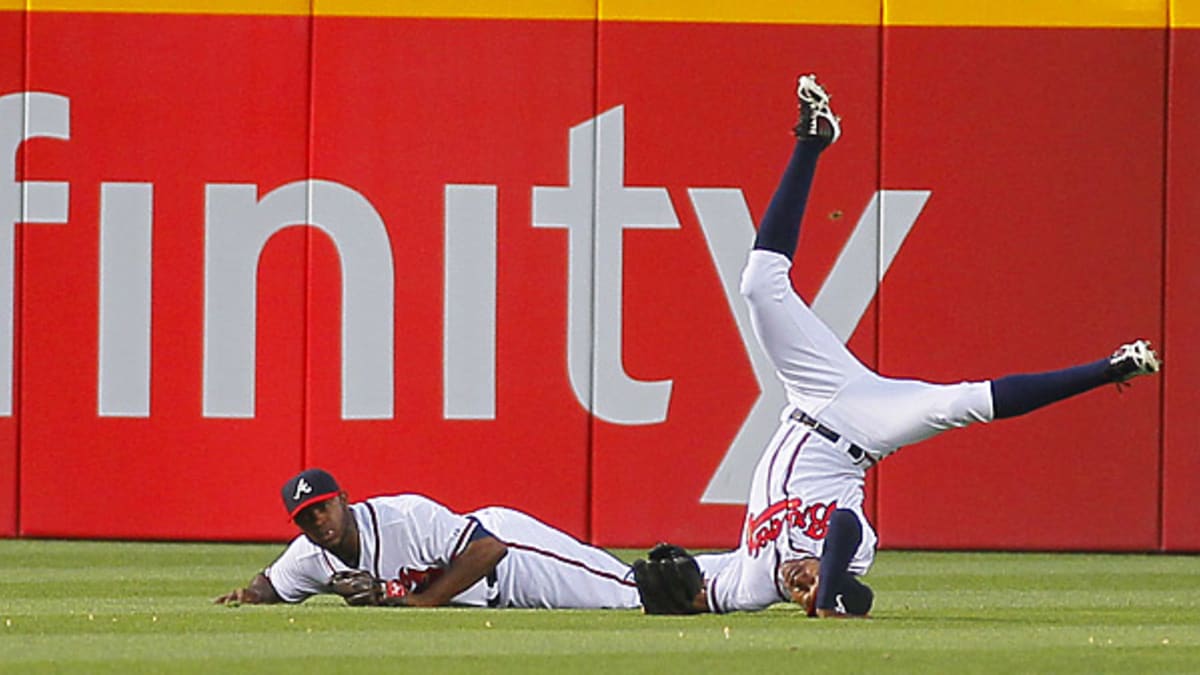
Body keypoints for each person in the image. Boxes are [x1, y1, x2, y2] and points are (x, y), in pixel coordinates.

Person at [634, 74, 1162, 618]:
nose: (798, 582)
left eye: (799, 589)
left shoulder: (751, 585)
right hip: (865, 427)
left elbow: (702, 592)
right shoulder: (853, 550)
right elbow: (841, 528)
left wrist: (673, 594)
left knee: (759, 283)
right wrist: (834, 585)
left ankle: (813, 138)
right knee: (963, 404)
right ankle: (1108, 368)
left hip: (808, 395)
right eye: (806, 584)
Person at [215, 468, 640, 609]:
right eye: (306, 517)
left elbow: (488, 549)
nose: (319, 520)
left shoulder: (405, 517)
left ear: (344, 500)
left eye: (324, 506)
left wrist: (420, 602)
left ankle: (702, 581)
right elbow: (269, 585)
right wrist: (248, 596)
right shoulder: (309, 556)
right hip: (487, 589)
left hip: (511, 556)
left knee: (632, 593)